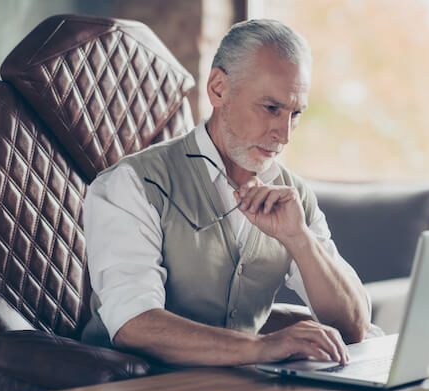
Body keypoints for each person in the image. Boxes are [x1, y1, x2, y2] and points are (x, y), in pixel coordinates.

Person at [82, 19, 373, 367]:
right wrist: (261, 348)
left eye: (295, 114)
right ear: (219, 88)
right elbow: (133, 324)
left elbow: (355, 325)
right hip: (138, 386)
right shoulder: (131, 184)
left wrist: (299, 239)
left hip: (241, 386)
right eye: (271, 108)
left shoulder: (293, 194)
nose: (284, 134)